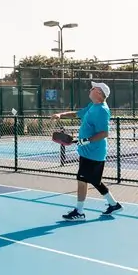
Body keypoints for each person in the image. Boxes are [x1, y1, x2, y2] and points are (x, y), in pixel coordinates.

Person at [52, 82, 121, 221]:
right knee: (94, 180)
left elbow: (104, 133)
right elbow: (77, 114)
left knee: (82, 179)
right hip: (87, 151)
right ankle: (114, 204)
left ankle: (79, 211)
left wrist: (85, 141)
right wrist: (61, 115)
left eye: (93, 88)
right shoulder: (92, 106)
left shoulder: (102, 110)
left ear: (100, 93)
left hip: (94, 152)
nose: (90, 89)